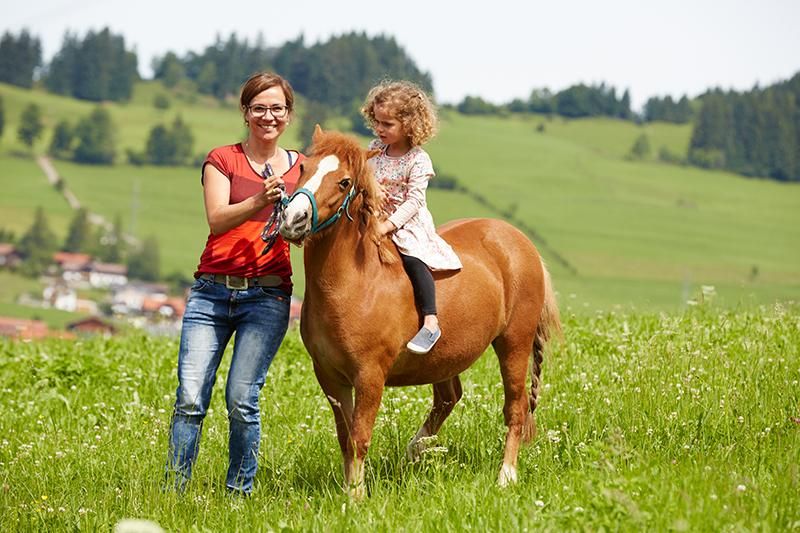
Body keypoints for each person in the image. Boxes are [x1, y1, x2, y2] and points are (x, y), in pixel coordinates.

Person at [165, 72, 303, 495]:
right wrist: (260, 200)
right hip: (212, 292)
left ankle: (238, 494)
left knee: (242, 400)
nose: (268, 115)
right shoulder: (222, 159)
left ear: (288, 114)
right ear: (245, 113)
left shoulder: (302, 167)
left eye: (276, 107)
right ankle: (174, 492)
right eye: (259, 107)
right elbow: (217, 217)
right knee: (190, 399)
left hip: (267, 295)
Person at [361, 80, 462, 355]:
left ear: (409, 125)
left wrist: (387, 226)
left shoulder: (418, 160)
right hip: (371, 215)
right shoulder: (374, 149)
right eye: (377, 121)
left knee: (415, 259)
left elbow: (414, 201)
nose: (380, 129)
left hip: (405, 223)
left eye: (387, 124)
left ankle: (430, 320)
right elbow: (364, 177)